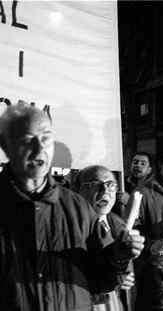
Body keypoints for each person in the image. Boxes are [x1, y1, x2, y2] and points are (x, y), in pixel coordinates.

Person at [0, 104, 145, 310]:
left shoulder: (78, 208)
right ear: (6, 145)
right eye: (27, 140)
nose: (39, 148)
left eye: (46, 138)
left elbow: (101, 281)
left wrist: (117, 257)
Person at [74, 165, 136, 311]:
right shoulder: (71, 228)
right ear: (77, 190)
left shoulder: (122, 225)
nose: (105, 190)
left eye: (110, 185)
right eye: (94, 185)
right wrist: (115, 278)